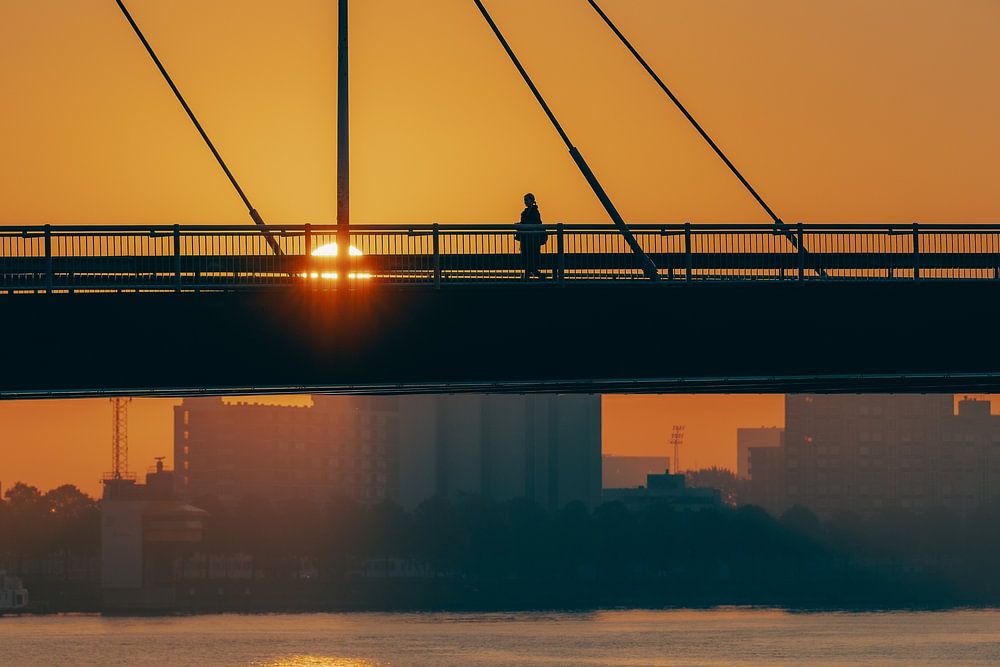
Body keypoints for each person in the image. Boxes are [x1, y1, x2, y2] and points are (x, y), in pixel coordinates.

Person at [515, 193, 547, 280]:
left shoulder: (534, 212)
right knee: (527, 254)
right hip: (527, 238)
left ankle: (531, 272)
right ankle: (531, 272)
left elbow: (535, 223)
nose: (525, 202)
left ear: (532, 200)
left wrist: (521, 225)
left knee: (531, 254)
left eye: (527, 200)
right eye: (524, 200)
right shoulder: (527, 212)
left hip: (532, 238)